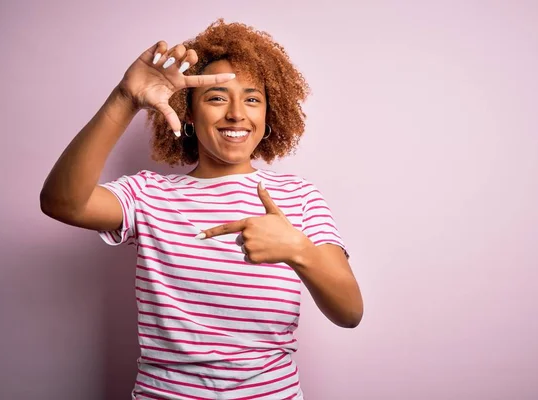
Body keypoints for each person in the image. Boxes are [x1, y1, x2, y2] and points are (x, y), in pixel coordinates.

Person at [40, 19, 363, 400]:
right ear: (189, 113)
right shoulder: (149, 194)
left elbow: (350, 312)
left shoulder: (300, 197)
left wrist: (298, 250)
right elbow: (62, 202)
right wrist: (124, 98)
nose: (237, 114)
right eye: (216, 97)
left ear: (268, 116)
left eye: (252, 98)